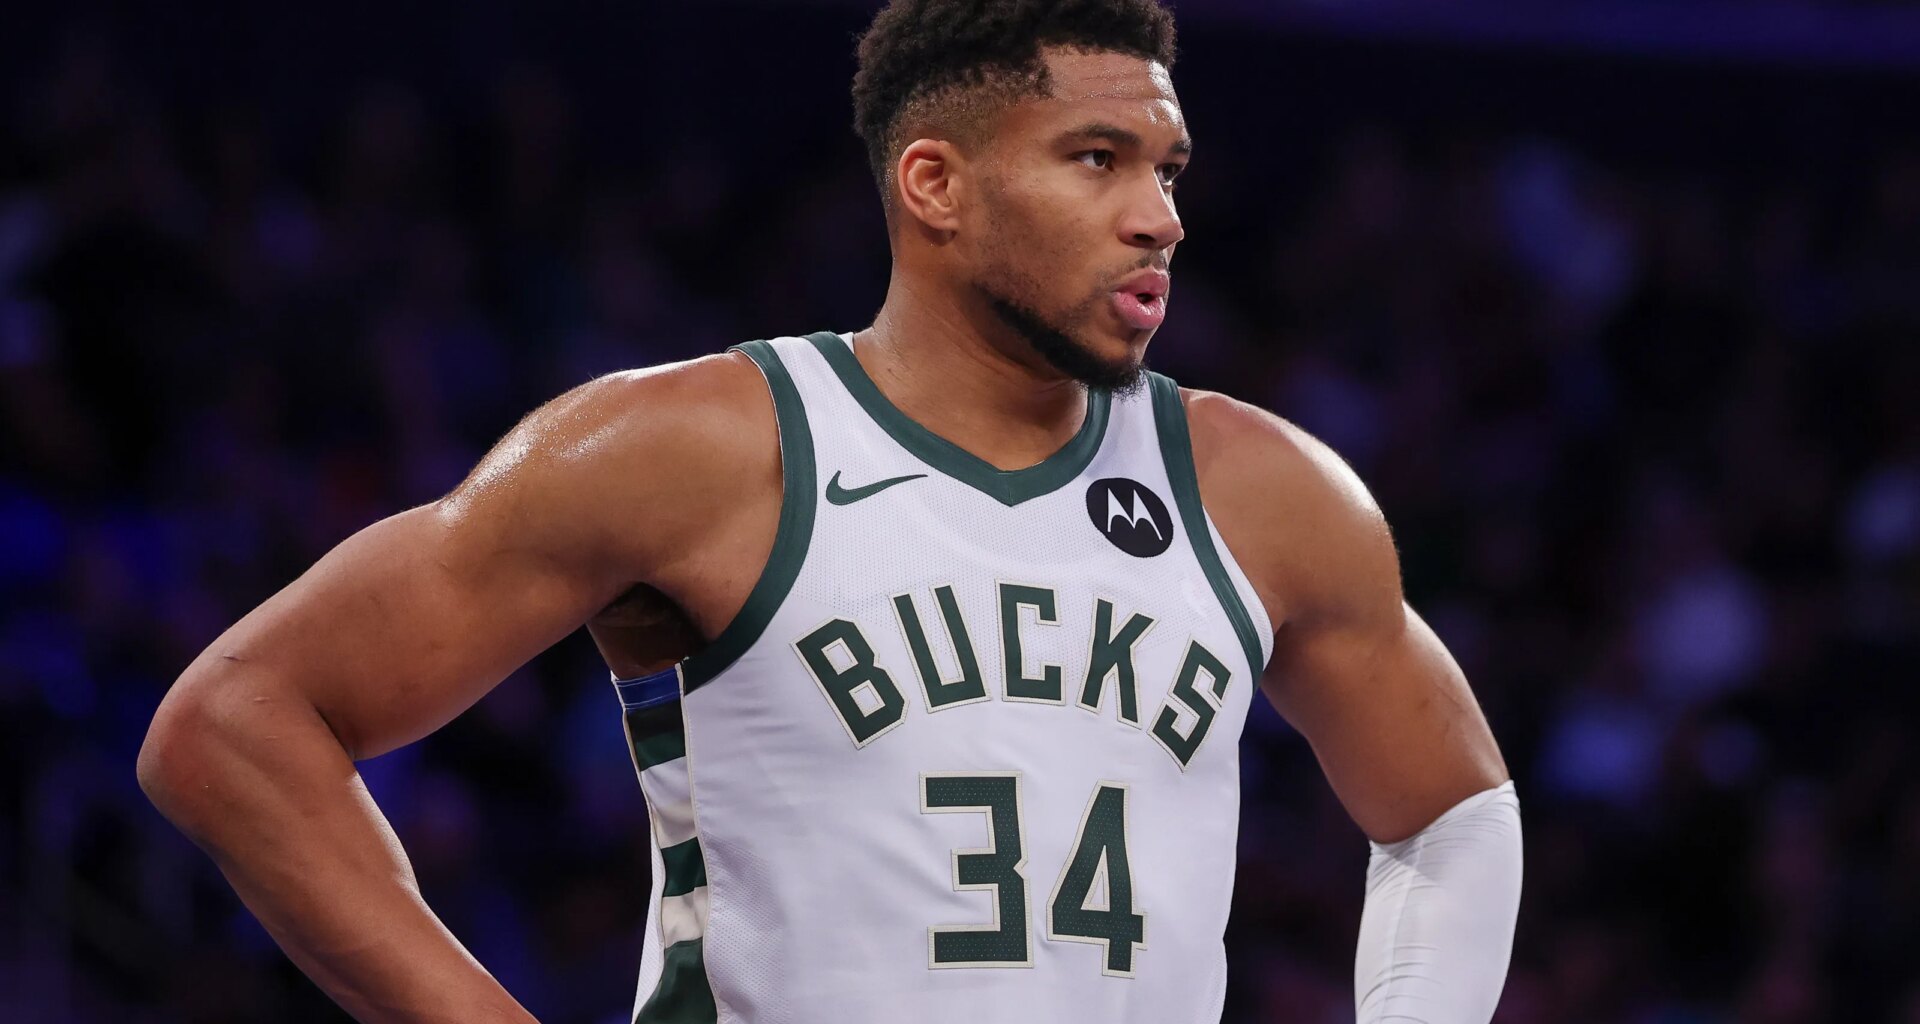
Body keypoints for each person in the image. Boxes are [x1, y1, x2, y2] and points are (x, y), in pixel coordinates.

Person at [137, 1, 1522, 1021]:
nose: (1158, 214)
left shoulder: (1265, 489)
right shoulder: (698, 447)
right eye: (1098, 159)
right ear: (936, 184)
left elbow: (1454, 809)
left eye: (1167, 168)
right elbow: (235, 725)